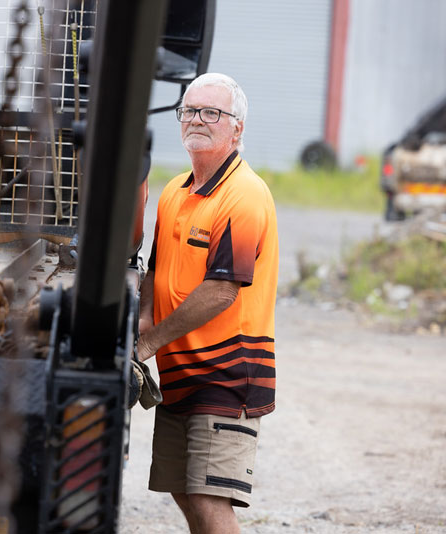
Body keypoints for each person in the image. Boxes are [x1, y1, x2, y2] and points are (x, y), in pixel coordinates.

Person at [136, 73, 278, 534]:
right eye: (190, 111)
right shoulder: (175, 192)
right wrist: (142, 318)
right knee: (184, 489)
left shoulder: (244, 196)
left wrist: (149, 343)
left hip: (228, 370)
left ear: (236, 129)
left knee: (209, 495)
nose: (197, 120)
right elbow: (156, 268)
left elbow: (222, 290)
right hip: (182, 372)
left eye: (212, 113)